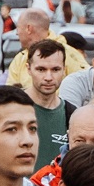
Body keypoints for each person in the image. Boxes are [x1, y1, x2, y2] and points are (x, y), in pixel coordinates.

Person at [18, 36, 73, 166]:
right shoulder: (9, 107)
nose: (48, 77)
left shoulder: (71, 114)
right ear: (28, 69)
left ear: (64, 70)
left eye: (55, 69)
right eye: (41, 69)